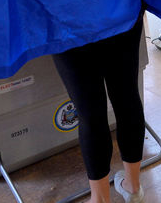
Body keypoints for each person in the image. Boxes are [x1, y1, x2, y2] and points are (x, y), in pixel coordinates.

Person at [52, 14, 146, 203]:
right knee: (127, 96)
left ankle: (100, 199)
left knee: (90, 113)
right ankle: (133, 187)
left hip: (67, 14)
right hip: (119, 4)